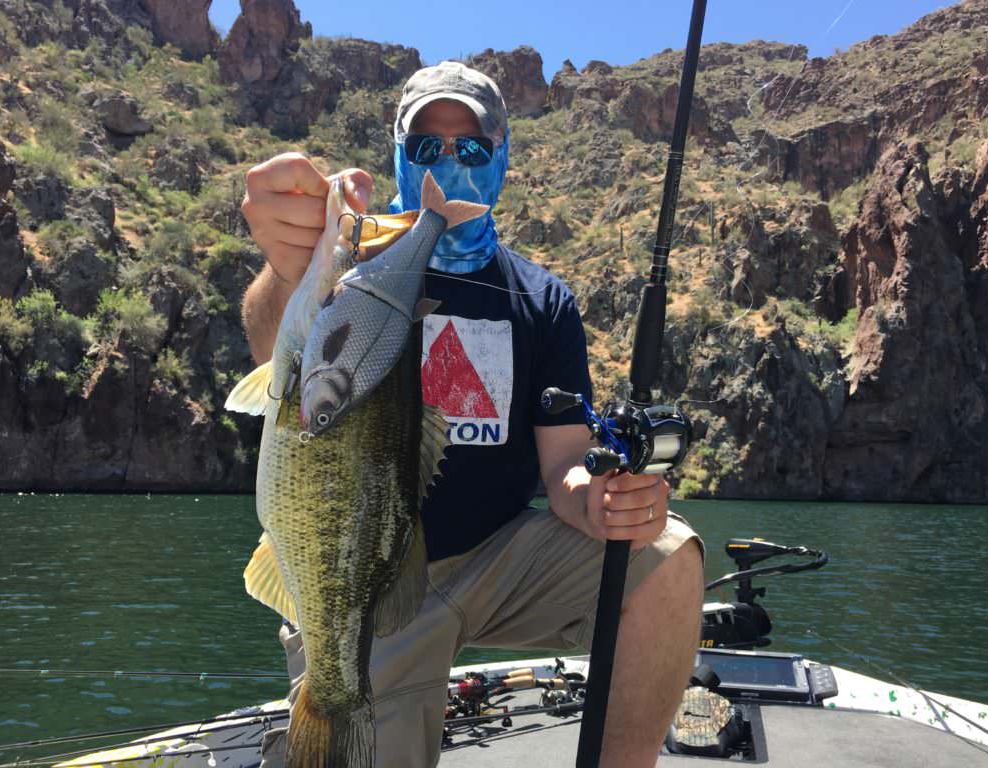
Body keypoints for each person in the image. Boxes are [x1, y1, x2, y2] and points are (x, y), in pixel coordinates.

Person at [240, 61, 705, 768]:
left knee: (668, 553)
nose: (449, 162)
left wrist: (599, 504)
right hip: (368, 573)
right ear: (400, 153)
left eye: (472, 147)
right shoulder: (350, 273)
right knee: (340, 726)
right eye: (427, 147)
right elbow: (279, 346)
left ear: (502, 156)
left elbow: (565, 467)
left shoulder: (542, 300)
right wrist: (287, 263)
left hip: (501, 556)